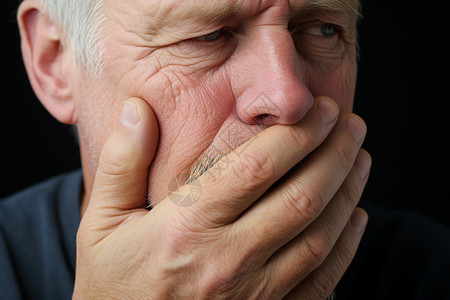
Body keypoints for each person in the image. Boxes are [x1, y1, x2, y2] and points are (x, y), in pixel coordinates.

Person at [0, 0, 449, 299]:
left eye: (324, 29)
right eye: (208, 36)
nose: (290, 97)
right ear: (55, 62)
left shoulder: (430, 269)